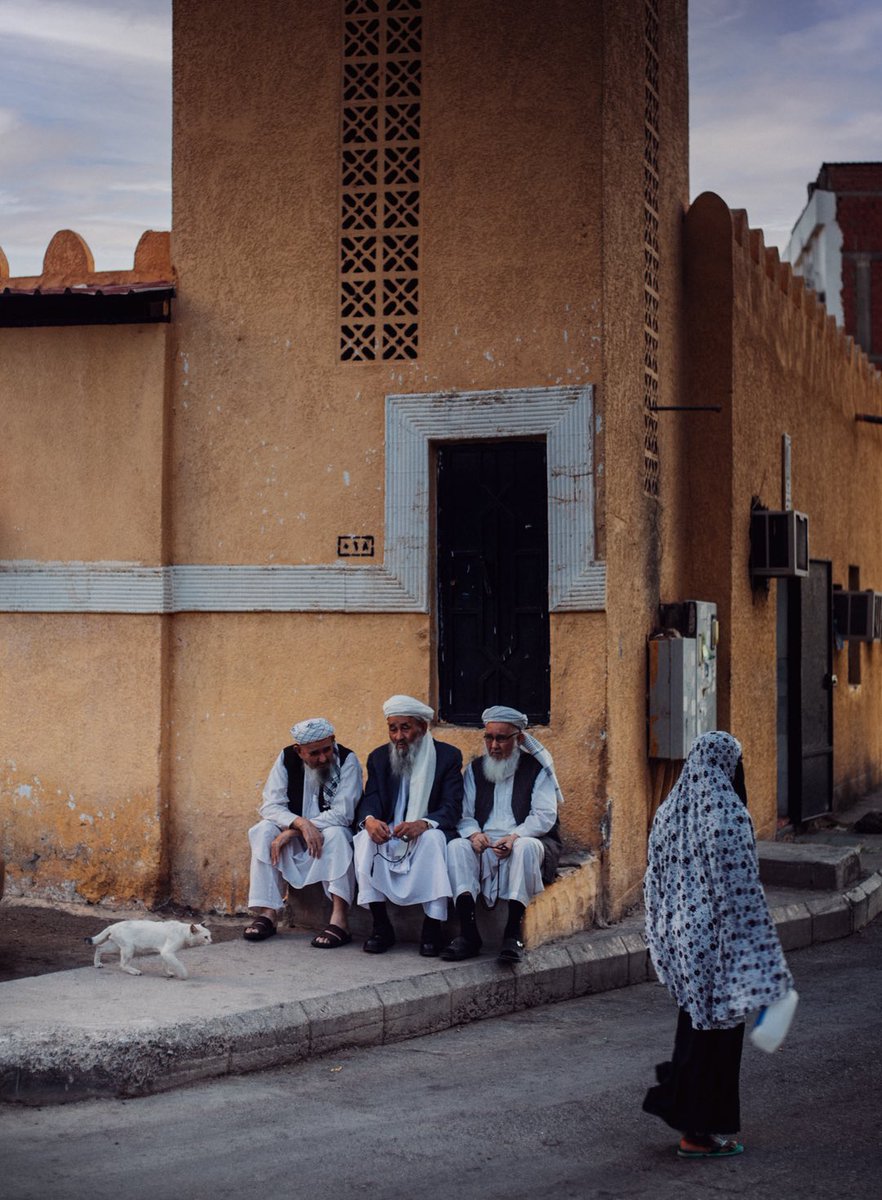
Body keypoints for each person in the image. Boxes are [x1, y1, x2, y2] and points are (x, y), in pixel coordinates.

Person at [642, 730, 793, 1159]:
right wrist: (762, 955)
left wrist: (663, 934)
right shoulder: (727, 813)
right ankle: (699, 1132)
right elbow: (741, 890)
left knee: (694, 1029)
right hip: (717, 943)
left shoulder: (670, 808)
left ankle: (682, 1111)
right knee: (718, 1041)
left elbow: (653, 878)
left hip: (680, 940)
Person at [442, 705, 563, 964]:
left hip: (526, 839)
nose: (493, 745)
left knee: (526, 848)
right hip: (485, 843)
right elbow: (464, 815)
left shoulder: (536, 769)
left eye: (501, 738)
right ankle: (468, 934)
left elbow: (544, 816)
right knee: (456, 847)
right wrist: (474, 835)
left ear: (519, 739)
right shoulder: (475, 770)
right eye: (489, 737)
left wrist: (514, 837)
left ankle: (512, 934)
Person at [353, 695, 463, 956]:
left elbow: (452, 806)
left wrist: (424, 823)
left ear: (422, 728)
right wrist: (369, 821)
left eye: (405, 728)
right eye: (393, 728)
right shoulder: (379, 758)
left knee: (433, 840)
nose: (398, 736)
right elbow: (372, 798)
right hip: (393, 831)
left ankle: (433, 927)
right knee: (363, 839)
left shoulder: (447, 756)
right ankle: (381, 926)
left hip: (425, 831)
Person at [244, 717, 363, 948]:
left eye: (327, 749)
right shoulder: (286, 758)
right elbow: (270, 805)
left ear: (333, 741)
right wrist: (299, 824)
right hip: (300, 834)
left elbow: (343, 814)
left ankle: (340, 920)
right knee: (262, 830)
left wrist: (295, 831)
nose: (323, 758)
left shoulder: (347, 760)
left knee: (338, 835)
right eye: (314, 753)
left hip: (328, 835)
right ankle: (268, 913)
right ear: (299, 751)